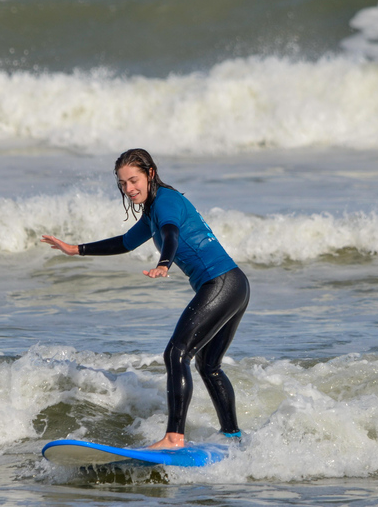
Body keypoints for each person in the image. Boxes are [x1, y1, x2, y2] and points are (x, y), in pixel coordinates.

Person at [41, 148, 250, 450]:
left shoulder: (165, 203)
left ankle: (174, 438)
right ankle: (233, 438)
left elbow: (171, 233)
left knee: (176, 354)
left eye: (134, 180)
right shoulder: (154, 210)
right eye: (123, 183)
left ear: (150, 173)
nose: (129, 189)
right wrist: (75, 249)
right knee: (208, 365)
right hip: (235, 285)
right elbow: (125, 242)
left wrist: (165, 262)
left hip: (221, 283)